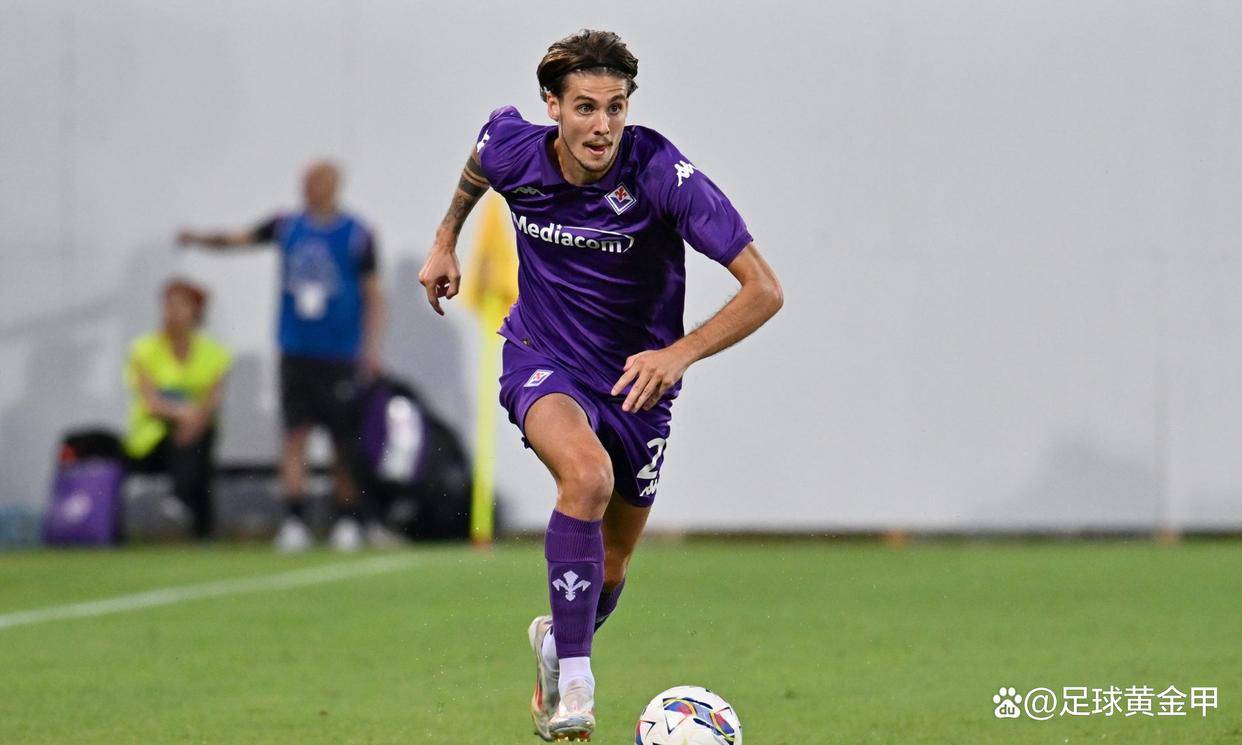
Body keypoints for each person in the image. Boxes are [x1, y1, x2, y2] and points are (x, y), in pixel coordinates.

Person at [418, 30, 783, 741]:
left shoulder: (661, 174)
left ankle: (557, 644)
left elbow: (764, 290)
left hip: (639, 385)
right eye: (585, 107)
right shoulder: (516, 149)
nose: (602, 125)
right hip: (543, 356)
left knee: (612, 565)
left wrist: (679, 353)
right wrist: (444, 241)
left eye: (616, 107)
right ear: (552, 105)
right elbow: (480, 158)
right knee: (585, 477)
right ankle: (576, 687)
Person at [178, 161, 393, 552]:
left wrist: (371, 347)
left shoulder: (357, 235)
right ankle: (295, 520)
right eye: (306, 182)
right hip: (296, 351)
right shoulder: (286, 226)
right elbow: (238, 239)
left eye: (318, 182)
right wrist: (198, 239)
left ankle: (346, 519)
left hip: (340, 353)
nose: (310, 188)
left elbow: (373, 294)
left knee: (342, 441)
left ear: (334, 186)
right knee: (294, 436)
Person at [125, 279, 232, 540]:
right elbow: (151, 403)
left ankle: (184, 501)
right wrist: (185, 414)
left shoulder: (214, 353)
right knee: (189, 436)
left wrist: (193, 419)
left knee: (198, 436)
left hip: (195, 433)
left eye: (180, 306)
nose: (171, 312)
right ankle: (182, 498)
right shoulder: (144, 349)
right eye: (168, 305)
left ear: (196, 312)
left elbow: (212, 402)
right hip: (152, 440)